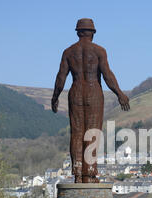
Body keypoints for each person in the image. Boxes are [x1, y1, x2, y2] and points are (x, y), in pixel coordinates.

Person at [51, 18, 130, 183]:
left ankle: (78, 174)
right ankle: (90, 173)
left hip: (75, 93)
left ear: (78, 32)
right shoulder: (99, 51)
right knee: (92, 133)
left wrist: (55, 96)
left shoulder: (68, 52)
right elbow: (107, 75)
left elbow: (61, 77)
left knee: (76, 133)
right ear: (92, 33)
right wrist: (119, 93)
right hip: (94, 93)